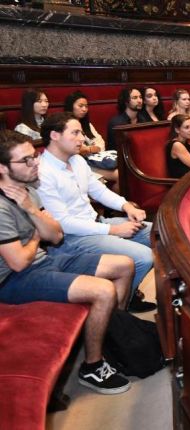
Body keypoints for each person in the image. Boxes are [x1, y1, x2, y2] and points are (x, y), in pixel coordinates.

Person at [0, 129, 134, 395]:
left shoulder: (26, 192)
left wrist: (30, 210)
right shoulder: (2, 207)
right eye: (25, 160)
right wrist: (38, 236)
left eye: (34, 157)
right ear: (2, 168)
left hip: (44, 259)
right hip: (14, 280)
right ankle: (93, 367)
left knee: (124, 265)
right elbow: (17, 262)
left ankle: (110, 337)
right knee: (103, 290)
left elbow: (57, 235)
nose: (35, 164)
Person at [37, 112, 156, 313]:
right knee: (143, 257)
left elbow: (98, 190)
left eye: (81, 133)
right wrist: (113, 229)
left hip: (95, 222)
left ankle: (126, 292)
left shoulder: (77, 160)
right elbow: (63, 223)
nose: (82, 138)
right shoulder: (43, 171)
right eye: (75, 133)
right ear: (55, 136)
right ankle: (118, 312)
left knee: (157, 232)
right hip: (71, 238)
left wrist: (126, 206)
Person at [63, 91, 119, 184]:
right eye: (80, 106)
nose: (84, 109)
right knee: (118, 175)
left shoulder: (87, 125)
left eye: (86, 106)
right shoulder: (65, 125)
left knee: (123, 172)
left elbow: (100, 143)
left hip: (95, 160)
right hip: (78, 163)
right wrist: (90, 149)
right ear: (71, 106)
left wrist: (89, 149)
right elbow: (75, 150)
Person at [166, 114, 190, 179]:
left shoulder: (189, 145)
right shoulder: (177, 145)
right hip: (183, 185)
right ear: (177, 130)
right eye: (187, 127)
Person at [106, 87, 142, 151]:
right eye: (135, 98)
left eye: (140, 97)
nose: (139, 101)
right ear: (126, 101)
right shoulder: (116, 123)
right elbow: (114, 149)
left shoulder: (143, 119)